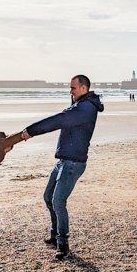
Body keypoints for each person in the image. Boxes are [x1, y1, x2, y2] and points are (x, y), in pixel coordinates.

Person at [21, 75, 104, 259]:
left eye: (73, 88)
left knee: (59, 200)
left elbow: (58, 120)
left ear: (83, 88)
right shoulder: (80, 105)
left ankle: (63, 243)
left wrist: (31, 131)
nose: (70, 91)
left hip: (73, 162)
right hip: (63, 160)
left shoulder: (85, 108)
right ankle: (55, 234)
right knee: (48, 197)